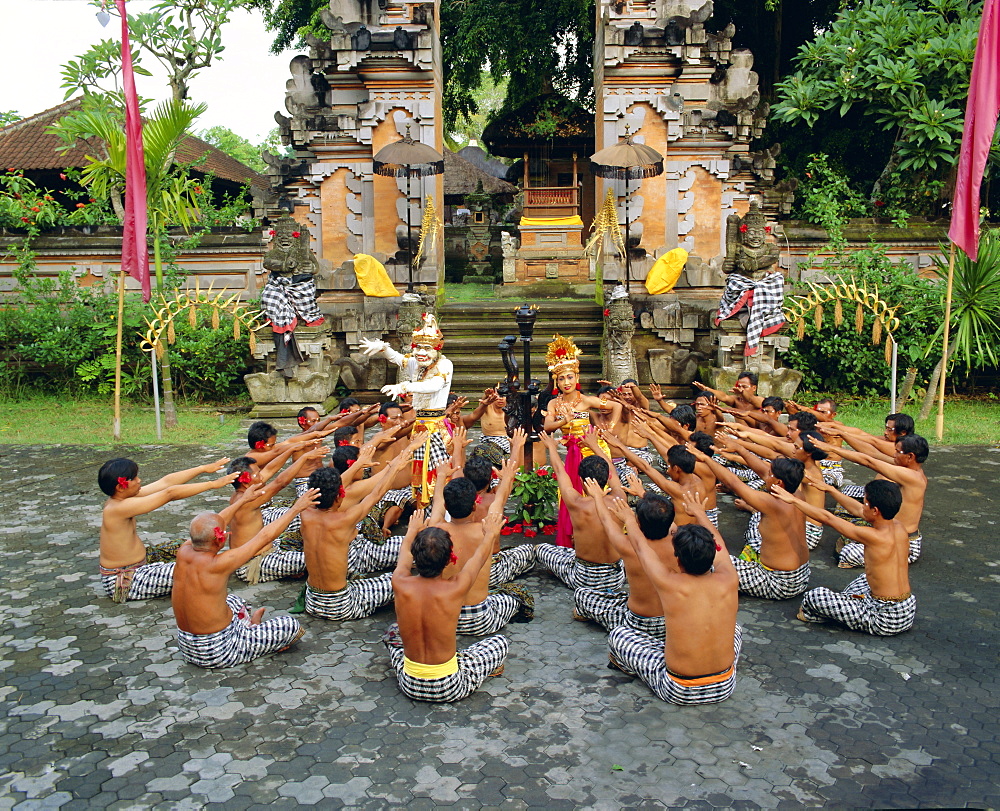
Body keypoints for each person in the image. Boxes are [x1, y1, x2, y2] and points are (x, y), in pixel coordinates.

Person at [605, 493, 741, 704]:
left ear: (679, 559)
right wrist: (699, 514)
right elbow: (719, 543)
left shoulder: (669, 583)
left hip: (680, 689)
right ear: (712, 553)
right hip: (725, 684)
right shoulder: (729, 577)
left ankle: (631, 665)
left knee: (619, 636)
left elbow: (641, 547)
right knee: (737, 630)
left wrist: (630, 520)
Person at [172, 488, 319, 668]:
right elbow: (264, 536)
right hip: (216, 651)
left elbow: (216, 522)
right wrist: (296, 508)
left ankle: (249, 629)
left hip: (187, 645)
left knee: (234, 601)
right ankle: (253, 635)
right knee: (289, 626)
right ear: (219, 539)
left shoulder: (184, 551)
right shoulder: (218, 563)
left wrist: (242, 501)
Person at [382, 510, 509, 702]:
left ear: (416, 557)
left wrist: (412, 531)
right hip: (449, 685)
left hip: (409, 683)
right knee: (500, 643)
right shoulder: (456, 587)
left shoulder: (399, 582)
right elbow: (478, 559)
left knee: (393, 631)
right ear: (450, 559)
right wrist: (490, 534)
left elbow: (403, 556)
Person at [771, 479, 915, 635]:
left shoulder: (874, 536)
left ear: (875, 511)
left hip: (883, 618)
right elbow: (857, 509)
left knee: (814, 597)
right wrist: (830, 490)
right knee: (864, 578)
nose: (862, 506)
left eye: (865, 503)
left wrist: (793, 500)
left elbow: (828, 518)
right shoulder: (898, 526)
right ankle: (847, 607)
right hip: (906, 609)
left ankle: (828, 614)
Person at [98, 457, 237, 603]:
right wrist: (212, 484)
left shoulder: (123, 497)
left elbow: (166, 483)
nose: (139, 480)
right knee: (195, 567)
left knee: (191, 547)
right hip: (125, 579)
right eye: (134, 478)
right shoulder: (116, 509)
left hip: (140, 563)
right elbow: (170, 493)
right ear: (121, 487)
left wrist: (202, 468)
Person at [689, 442, 810, 600]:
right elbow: (761, 470)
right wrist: (740, 449)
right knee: (757, 520)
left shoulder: (773, 503)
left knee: (709, 557)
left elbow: (733, 483)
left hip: (779, 582)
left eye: (770, 474)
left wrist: (706, 459)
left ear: (779, 483)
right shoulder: (797, 495)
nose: (765, 475)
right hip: (802, 575)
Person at [297, 456, 411, 622]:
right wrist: (394, 469)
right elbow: (376, 495)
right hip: (340, 605)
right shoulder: (344, 519)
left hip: (312, 601)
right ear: (338, 496)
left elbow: (323, 490)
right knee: (396, 580)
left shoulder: (304, 513)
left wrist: (356, 465)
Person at [361, 313, 454, 506]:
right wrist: (384, 348)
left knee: (436, 474)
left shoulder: (444, 365)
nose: (421, 352)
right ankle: (423, 510)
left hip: (435, 428)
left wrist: (404, 387)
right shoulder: (418, 362)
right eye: (418, 347)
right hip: (420, 426)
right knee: (419, 476)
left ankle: (440, 512)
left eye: (427, 348)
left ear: (437, 349)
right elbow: (398, 359)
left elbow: (433, 385)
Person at [541, 334, 616, 547]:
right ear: (556, 381)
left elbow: (616, 406)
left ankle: (600, 530)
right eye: (561, 378)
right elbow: (547, 427)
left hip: (593, 450)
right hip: (570, 452)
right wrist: (564, 420)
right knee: (570, 492)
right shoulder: (554, 404)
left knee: (597, 490)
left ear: (577, 377)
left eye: (570, 377)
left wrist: (609, 428)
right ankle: (575, 531)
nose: (566, 382)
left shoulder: (586, 401)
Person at [574, 481, 675, 639]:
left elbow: (606, 521)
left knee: (582, 595)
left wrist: (598, 497)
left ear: (639, 522)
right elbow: (667, 517)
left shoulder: (628, 546)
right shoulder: (679, 541)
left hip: (637, 622)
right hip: (671, 621)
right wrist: (643, 494)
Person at [813, 434, 928, 568]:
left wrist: (831, 448)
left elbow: (868, 461)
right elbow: (871, 454)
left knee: (847, 553)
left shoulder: (913, 477)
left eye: (898, 452)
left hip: (905, 543)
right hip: (890, 533)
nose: (894, 455)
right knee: (852, 525)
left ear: (910, 457)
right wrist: (843, 434)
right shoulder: (905, 467)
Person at [534, 431, 627, 594]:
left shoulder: (577, 503)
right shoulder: (620, 498)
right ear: (607, 478)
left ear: (582, 482)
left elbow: (560, 471)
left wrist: (551, 447)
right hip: (616, 577)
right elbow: (611, 468)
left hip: (585, 577)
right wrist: (594, 445)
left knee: (540, 549)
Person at [223, 445, 329, 583]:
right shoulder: (246, 502)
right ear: (245, 480)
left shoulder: (244, 491)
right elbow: (280, 482)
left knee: (301, 538)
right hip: (253, 563)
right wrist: (303, 458)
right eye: (256, 473)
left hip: (269, 549)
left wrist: (292, 450)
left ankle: (292, 569)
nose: (261, 475)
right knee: (319, 558)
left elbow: (270, 469)